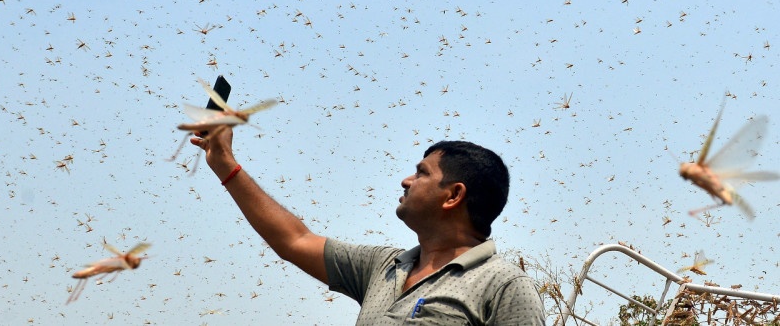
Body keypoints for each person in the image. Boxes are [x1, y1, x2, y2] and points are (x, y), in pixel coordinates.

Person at [191, 127, 545, 325]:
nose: (406, 180)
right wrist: (225, 164)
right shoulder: (383, 267)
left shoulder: (503, 285)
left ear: (453, 195)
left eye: (422, 173)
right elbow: (294, 240)